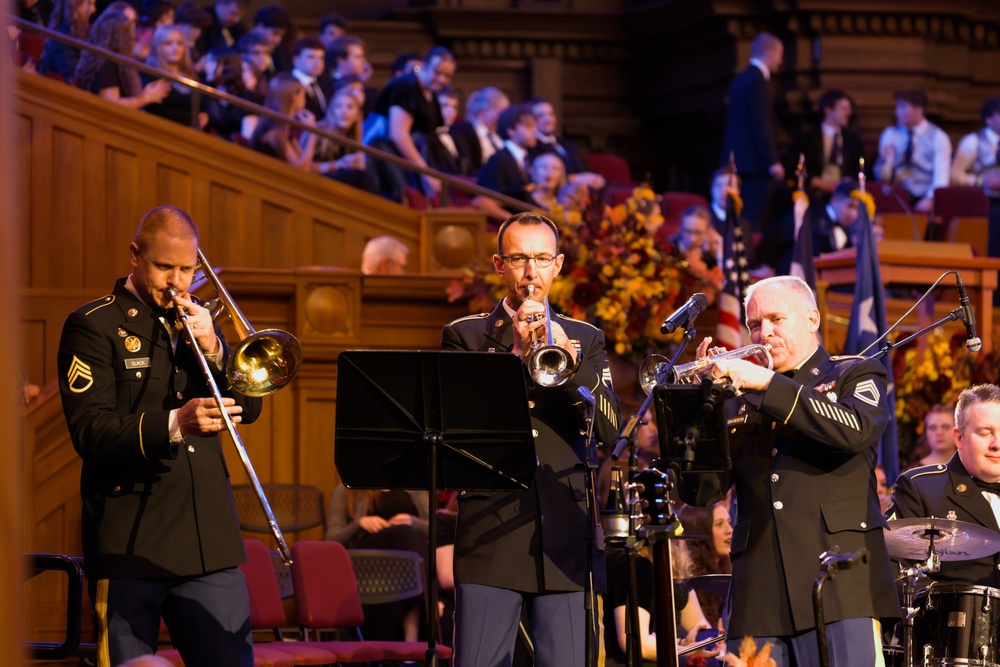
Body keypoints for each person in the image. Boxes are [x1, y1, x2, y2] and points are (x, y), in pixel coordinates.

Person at [57, 205, 263, 667]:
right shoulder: (94, 324)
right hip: (132, 538)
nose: (178, 281)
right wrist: (176, 422)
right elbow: (91, 431)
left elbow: (247, 408)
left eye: (188, 268)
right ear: (135, 255)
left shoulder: (202, 324)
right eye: (164, 266)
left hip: (207, 538)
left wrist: (214, 350)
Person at [686, 275, 900, 667]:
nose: (762, 332)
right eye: (753, 324)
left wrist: (768, 384)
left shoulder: (854, 373)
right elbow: (702, 492)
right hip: (758, 596)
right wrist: (703, 408)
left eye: (775, 319)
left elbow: (854, 431)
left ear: (812, 318)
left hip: (840, 590)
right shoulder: (738, 397)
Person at [441, 211, 621, 666]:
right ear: (499, 265)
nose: (530, 272)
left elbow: (609, 429)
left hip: (566, 530)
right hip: (490, 532)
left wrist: (573, 365)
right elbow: (460, 425)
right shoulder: (465, 336)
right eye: (519, 258)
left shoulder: (585, 338)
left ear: (558, 265)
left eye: (542, 258)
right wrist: (518, 355)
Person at [887, 384, 1000, 587]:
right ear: (959, 437)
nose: (997, 444)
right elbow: (891, 567)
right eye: (985, 432)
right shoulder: (920, 488)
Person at [325, 485, 429, 641]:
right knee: (404, 533)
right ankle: (431, 599)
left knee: (407, 537)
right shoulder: (347, 488)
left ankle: (410, 642)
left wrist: (414, 522)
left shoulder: (414, 487)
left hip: (405, 563)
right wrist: (359, 523)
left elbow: (437, 527)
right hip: (367, 562)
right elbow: (331, 538)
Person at [603, 540, 721, 666]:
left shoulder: (616, 560)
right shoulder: (637, 565)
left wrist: (682, 643)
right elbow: (636, 643)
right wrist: (688, 651)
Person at [365, 46, 455, 201]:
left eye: (447, 76)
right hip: (388, 154)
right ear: (425, 65)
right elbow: (398, 134)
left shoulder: (430, 91)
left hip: (411, 157)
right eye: (437, 72)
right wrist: (424, 172)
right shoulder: (406, 87)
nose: (442, 80)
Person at [719, 32, 785, 235]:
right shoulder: (758, 81)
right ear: (771, 53)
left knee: (740, 217)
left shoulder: (740, 78)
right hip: (756, 166)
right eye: (780, 55)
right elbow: (761, 123)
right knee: (752, 223)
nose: (781, 61)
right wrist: (772, 161)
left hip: (739, 164)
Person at [74, 9, 172, 111]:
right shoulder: (106, 66)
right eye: (130, 36)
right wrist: (146, 98)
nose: (132, 41)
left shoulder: (101, 60)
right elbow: (111, 106)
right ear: (121, 38)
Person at [875, 90, 952, 213]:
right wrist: (887, 161)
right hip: (897, 194)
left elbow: (941, 178)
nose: (896, 112)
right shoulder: (890, 134)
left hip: (925, 194)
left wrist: (930, 199)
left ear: (919, 110)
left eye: (902, 107)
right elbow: (882, 177)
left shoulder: (939, 137)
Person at [794, 90, 866, 202]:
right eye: (843, 108)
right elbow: (794, 168)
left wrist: (848, 181)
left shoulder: (853, 140)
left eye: (849, 109)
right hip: (813, 196)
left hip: (845, 197)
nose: (849, 113)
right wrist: (816, 181)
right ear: (828, 110)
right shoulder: (807, 138)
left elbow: (861, 169)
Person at [527, 96, 605, 189]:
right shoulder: (532, 147)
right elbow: (541, 177)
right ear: (530, 120)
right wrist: (574, 179)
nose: (548, 119)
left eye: (551, 114)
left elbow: (585, 168)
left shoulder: (569, 144)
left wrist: (597, 178)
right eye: (541, 115)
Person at [677, 502, 733, 629]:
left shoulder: (727, 570)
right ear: (700, 532)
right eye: (719, 524)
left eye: (729, 522)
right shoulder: (685, 582)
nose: (730, 530)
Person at [142, 24, 207, 128]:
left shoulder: (192, 75)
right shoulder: (150, 74)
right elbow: (159, 111)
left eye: (180, 43)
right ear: (157, 47)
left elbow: (203, 103)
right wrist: (193, 118)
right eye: (168, 43)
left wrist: (205, 114)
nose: (175, 48)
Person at [250, 72, 317, 170]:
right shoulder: (275, 132)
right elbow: (301, 170)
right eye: (303, 95)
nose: (305, 100)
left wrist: (336, 164)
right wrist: (312, 132)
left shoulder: (285, 128)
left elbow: (306, 161)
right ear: (294, 97)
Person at [451, 86, 509, 177]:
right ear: (485, 111)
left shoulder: (496, 135)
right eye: (501, 114)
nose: (504, 119)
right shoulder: (464, 132)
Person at [39, 0, 96, 81]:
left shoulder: (80, 35)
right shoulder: (61, 40)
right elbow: (74, 81)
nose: (94, 9)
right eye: (89, 3)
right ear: (73, 3)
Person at [905, 403, 958, 470]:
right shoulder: (913, 472)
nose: (939, 433)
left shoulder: (970, 468)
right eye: (933, 428)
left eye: (945, 427)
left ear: (958, 431)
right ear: (925, 432)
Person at [289, 37, 328, 119]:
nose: (318, 62)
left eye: (321, 58)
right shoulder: (287, 84)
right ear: (296, 60)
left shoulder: (323, 83)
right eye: (311, 57)